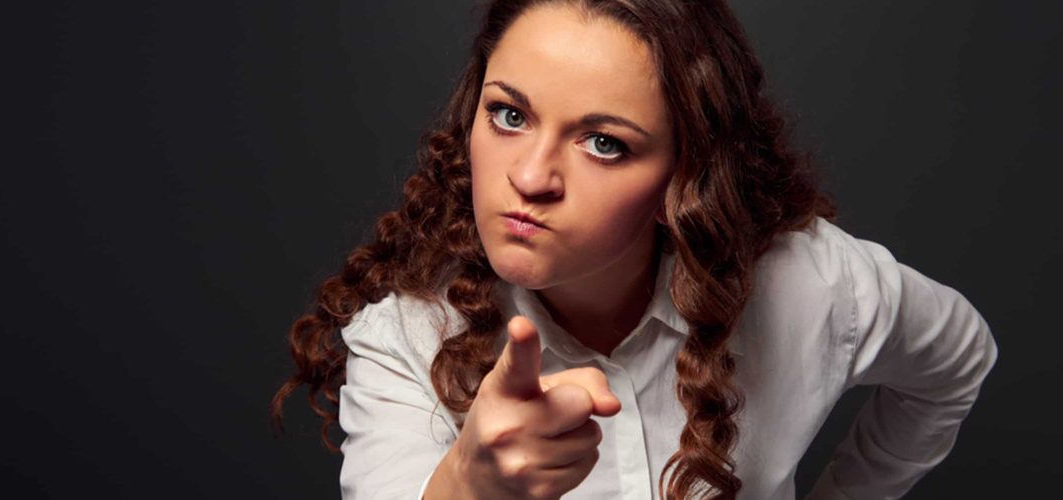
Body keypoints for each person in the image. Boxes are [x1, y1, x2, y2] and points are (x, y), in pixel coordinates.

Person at [270, 0, 998, 498]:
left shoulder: (810, 285)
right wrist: (470, 484)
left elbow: (957, 356)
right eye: (509, 114)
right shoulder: (407, 338)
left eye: (604, 142)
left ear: (686, 173)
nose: (529, 177)